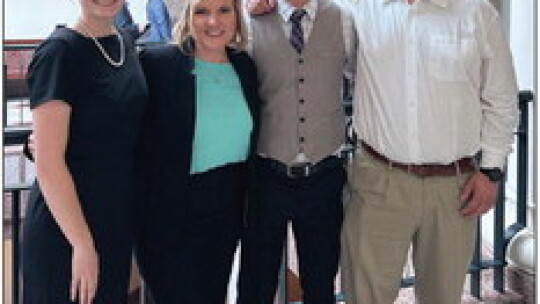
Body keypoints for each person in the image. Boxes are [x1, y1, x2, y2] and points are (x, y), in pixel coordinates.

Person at [341, 0, 518, 303]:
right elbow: (307, 39)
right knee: (364, 296)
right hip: (377, 184)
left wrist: (491, 170)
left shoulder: (477, 12)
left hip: (454, 190)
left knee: (442, 297)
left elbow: (501, 98)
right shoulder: (356, 9)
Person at [134, 0, 260, 303]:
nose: (213, 22)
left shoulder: (244, 66)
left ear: (236, 17)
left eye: (224, 11)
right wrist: (43, 140)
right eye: (202, 11)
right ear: (188, 17)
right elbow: (116, 115)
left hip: (227, 210)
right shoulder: (157, 64)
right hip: (170, 215)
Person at [22, 0, 147, 303]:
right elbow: (49, 163)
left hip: (114, 223)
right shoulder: (59, 53)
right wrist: (82, 245)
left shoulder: (123, 43)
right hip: (67, 230)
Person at [237, 0, 355, 303]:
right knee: (256, 283)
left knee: (320, 282)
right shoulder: (251, 22)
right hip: (266, 176)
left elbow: (362, 79)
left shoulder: (342, 18)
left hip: (324, 176)